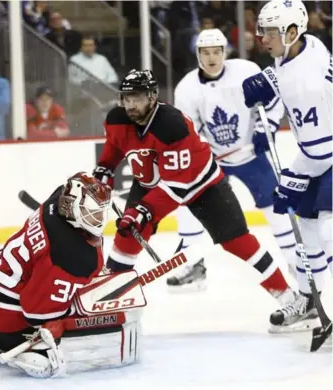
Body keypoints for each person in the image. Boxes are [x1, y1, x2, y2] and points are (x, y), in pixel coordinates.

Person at [94, 69, 296, 329]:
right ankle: (110, 299)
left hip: (202, 184)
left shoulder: (171, 124)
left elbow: (178, 185)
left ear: (153, 97)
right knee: (128, 234)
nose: (131, 105)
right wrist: (104, 171)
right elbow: (114, 149)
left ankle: (290, 298)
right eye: (126, 98)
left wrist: (142, 210)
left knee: (238, 242)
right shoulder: (116, 119)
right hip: (152, 182)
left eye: (138, 98)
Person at [0, 172, 141, 377]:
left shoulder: (57, 199)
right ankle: (12, 346)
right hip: (8, 323)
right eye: (91, 214)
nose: (98, 222)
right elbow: (36, 314)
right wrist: (80, 305)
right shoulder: (73, 258)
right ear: (72, 208)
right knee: (89, 316)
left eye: (100, 214)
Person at [167, 28, 299, 292]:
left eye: (217, 51)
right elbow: (187, 129)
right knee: (190, 206)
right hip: (214, 163)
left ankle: (296, 263)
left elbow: (273, 99)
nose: (212, 57)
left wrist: (266, 127)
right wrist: (201, 149)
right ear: (198, 55)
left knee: (277, 211)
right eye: (206, 52)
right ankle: (194, 265)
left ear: (225, 52)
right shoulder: (186, 88)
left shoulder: (246, 71)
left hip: (251, 155)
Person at [242, 0, 332, 329]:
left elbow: (319, 153)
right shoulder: (304, 47)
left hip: (325, 152)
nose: (261, 37)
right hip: (321, 149)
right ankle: (311, 301)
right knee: (306, 230)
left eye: (268, 31)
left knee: (328, 228)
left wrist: (291, 180)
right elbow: (285, 76)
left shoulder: (306, 83)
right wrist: (269, 82)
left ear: (291, 32)